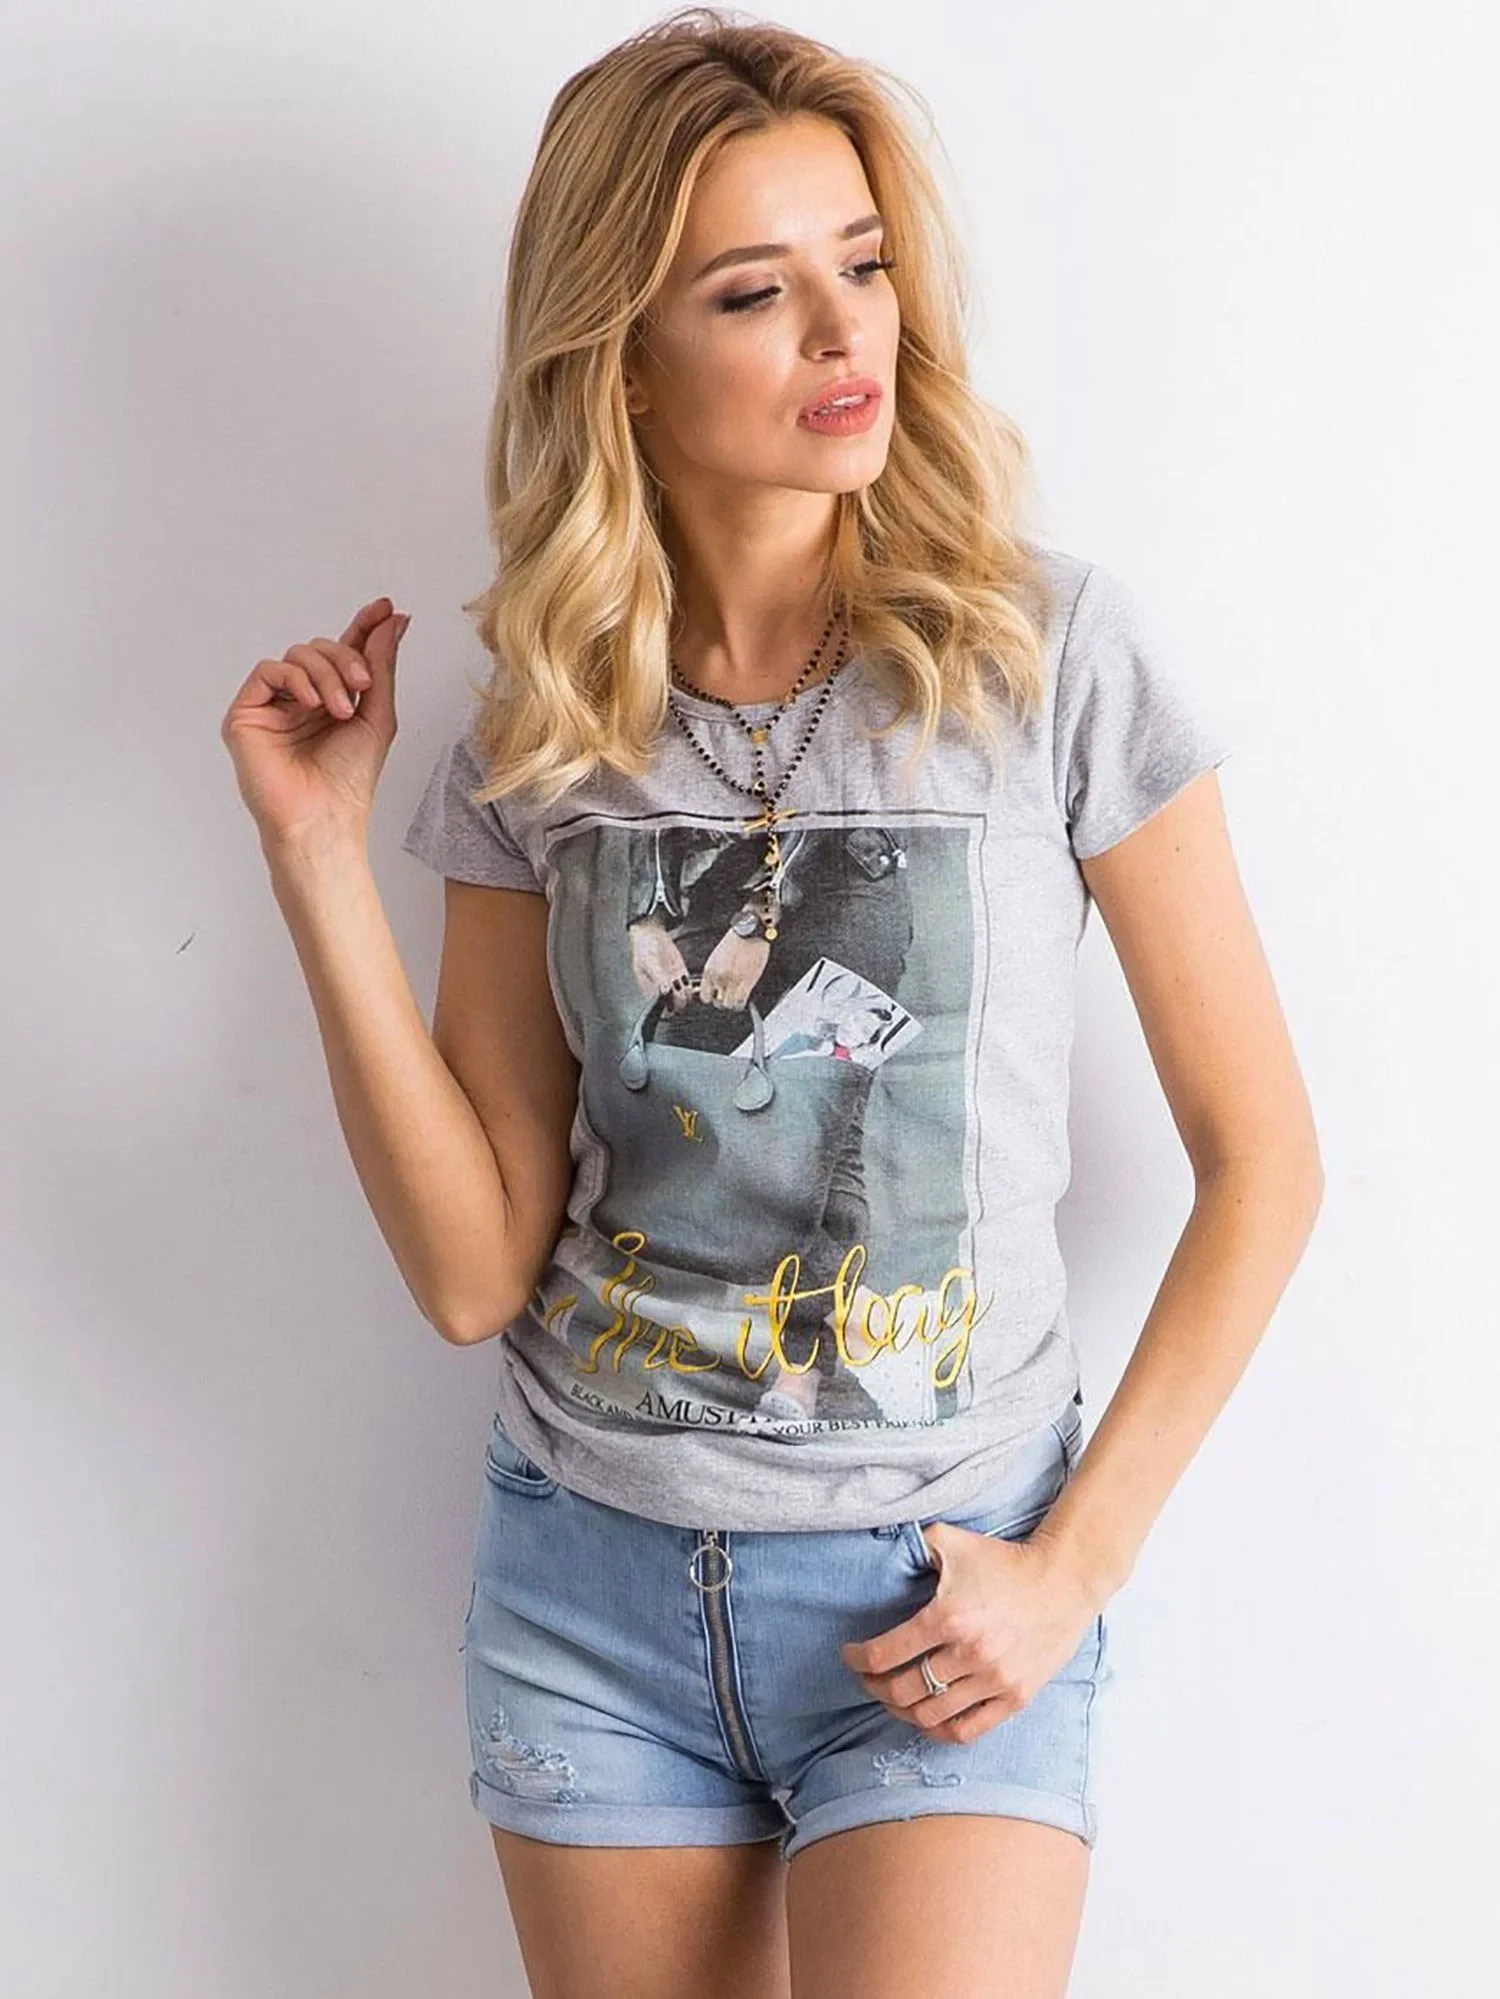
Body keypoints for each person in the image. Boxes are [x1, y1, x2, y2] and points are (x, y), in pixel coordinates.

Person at [220, 10, 1324, 1995]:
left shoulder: (1046, 657)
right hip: (591, 1597)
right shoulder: (543, 731)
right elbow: (471, 1270)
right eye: (755, 290)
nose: (843, 330)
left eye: (863, 262)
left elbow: (1266, 1163)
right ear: (622, 361)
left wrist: (1071, 1569)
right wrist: (317, 860)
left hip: (942, 1591)